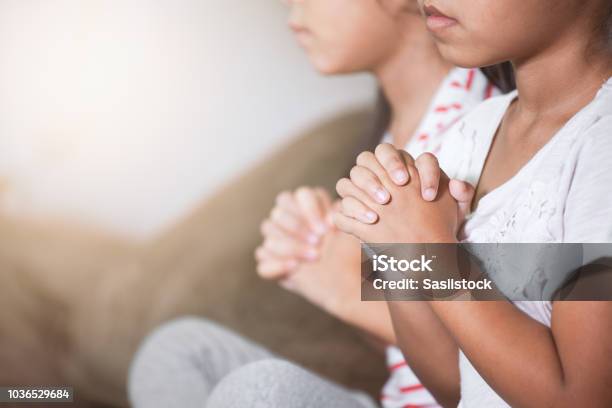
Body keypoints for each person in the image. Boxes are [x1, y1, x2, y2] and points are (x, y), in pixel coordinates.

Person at [128, 1, 512, 407]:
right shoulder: (388, 140)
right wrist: (320, 260)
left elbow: (489, 348)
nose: (293, 14)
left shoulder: (480, 132)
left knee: (261, 392)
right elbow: (403, 348)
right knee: (177, 349)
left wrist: (345, 288)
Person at [332, 0, 612, 407]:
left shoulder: (601, 148)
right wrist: (401, 245)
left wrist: (435, 254)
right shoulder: (475, 130)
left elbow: (581, 398)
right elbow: (452, 386)